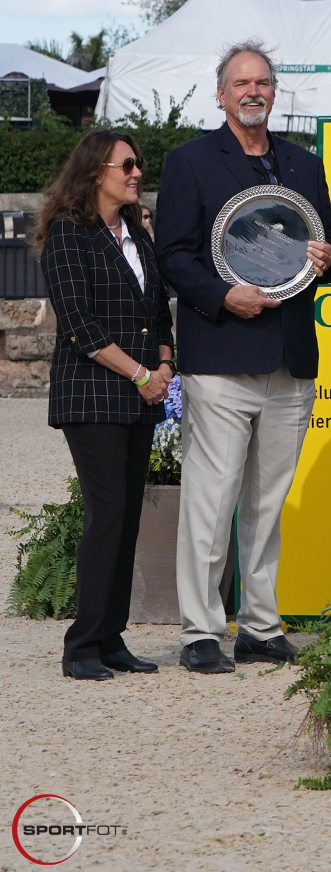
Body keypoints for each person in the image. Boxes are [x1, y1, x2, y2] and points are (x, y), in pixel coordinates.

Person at [155, 40, 331, 674]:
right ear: (221, 93)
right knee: (211, 498)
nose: (252, 91)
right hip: (221, 358)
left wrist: (326, 258)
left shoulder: (303, 165)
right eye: (241, 83)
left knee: (267, 503)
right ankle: (201, 630)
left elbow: (324, 241)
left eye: (262, 82)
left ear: (274, 91)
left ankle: (260, 625)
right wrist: (220, 294)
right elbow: (173, 256)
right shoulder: (191, 162)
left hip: (289, 359)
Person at [34, 131, 175, 680]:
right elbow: (79, 325)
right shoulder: (69, 234)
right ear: (96, 171)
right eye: (128, 164)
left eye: (139, 164)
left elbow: (159, 312)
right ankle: (81, 645)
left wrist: (164, 365)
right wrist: (142, 373)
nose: (137, 173)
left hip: (141, 392)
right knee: (108, 510)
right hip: (92, 393)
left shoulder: (139, 238)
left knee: (129, 515)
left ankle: (112, 637)